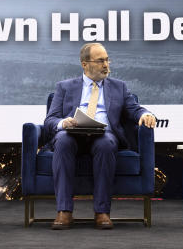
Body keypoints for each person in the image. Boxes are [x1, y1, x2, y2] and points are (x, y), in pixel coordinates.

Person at [43, 43, 156, 230]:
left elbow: (134, 109)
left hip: (103, 135)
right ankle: (64, 211)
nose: (106, 65)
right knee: (63, 141)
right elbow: (50, 120)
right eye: (100, 61)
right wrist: (64, 123)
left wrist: (145, 114)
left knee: (106, 143)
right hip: (72, 134)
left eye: (107, 60)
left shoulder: (119, 87)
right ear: (84, 64)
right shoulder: (64, 87)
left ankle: (102, 212)